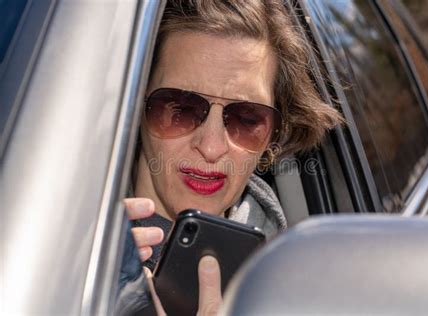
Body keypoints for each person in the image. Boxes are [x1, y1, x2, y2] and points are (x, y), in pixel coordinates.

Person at [124, 0, 342, 314]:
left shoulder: (289, 281)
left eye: (247, 119)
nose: (211, 147)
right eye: (180, 109)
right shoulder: (58, 246)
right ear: (136, 108)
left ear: (272, 137)